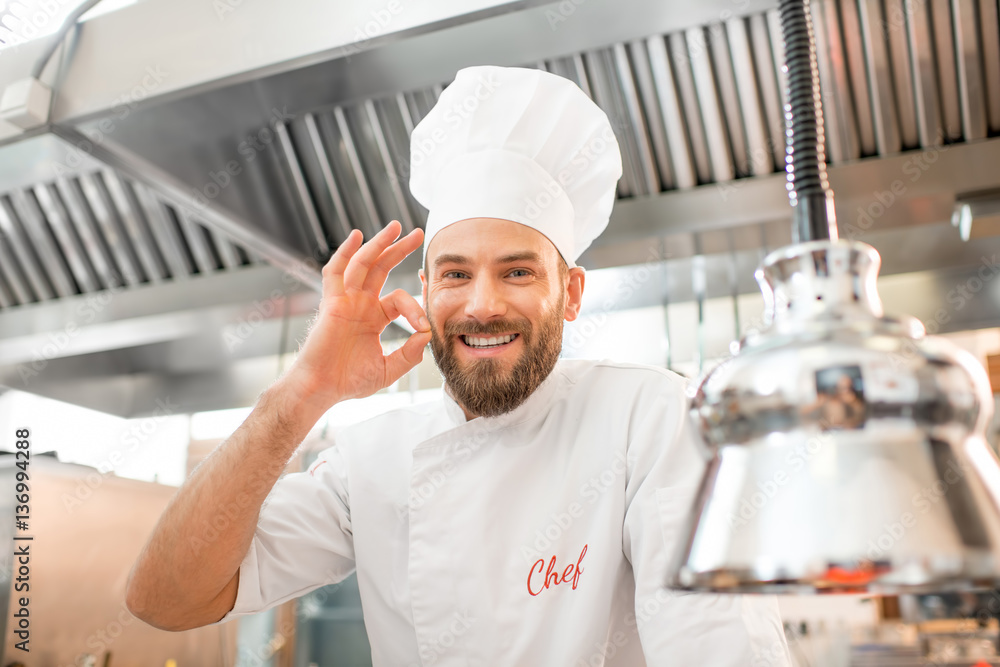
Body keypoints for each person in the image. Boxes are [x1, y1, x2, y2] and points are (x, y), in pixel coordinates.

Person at [125, 65, 792, 665]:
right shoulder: (371, 460)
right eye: (455, 273)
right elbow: (164, 598)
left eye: (518, 271)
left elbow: (718, 642)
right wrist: (301, 393)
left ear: (572, 294)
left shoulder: (651, 419)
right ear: (424, 291)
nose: (482, 304)